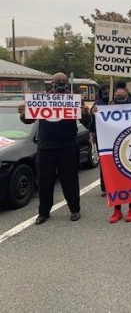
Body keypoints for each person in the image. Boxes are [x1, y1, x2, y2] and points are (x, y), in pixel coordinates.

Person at [18, 72, 91, 225]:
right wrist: (23, 113)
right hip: (46, 147)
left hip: (68, 146)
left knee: (70, 180)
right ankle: (43, 213)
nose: (61, 84)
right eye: (58, 81)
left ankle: (74, 210)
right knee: (44, 181)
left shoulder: (72, 100)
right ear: (52, 83)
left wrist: (85, 113)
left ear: (67, 83)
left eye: (63, 81)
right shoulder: (42, 99)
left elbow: (86, 121)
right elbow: (28, 119)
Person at [106, 87, 131, 223]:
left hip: (130, 147)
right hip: (113, 149)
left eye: (122, 96)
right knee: (115, 180)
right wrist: (97, 112)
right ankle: (117, 210)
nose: (120, 98)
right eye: (117, 96)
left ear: (127, 97)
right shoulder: (108, 110)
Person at [89, 84, 110, 197]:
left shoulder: (117, 102)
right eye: (104, 91)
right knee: (104, 162)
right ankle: (105, 188)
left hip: (115, 136)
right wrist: (91, 133)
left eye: (108, 90)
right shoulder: (98, 104)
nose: (106, 92)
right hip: (101, 137)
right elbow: (92, 120)